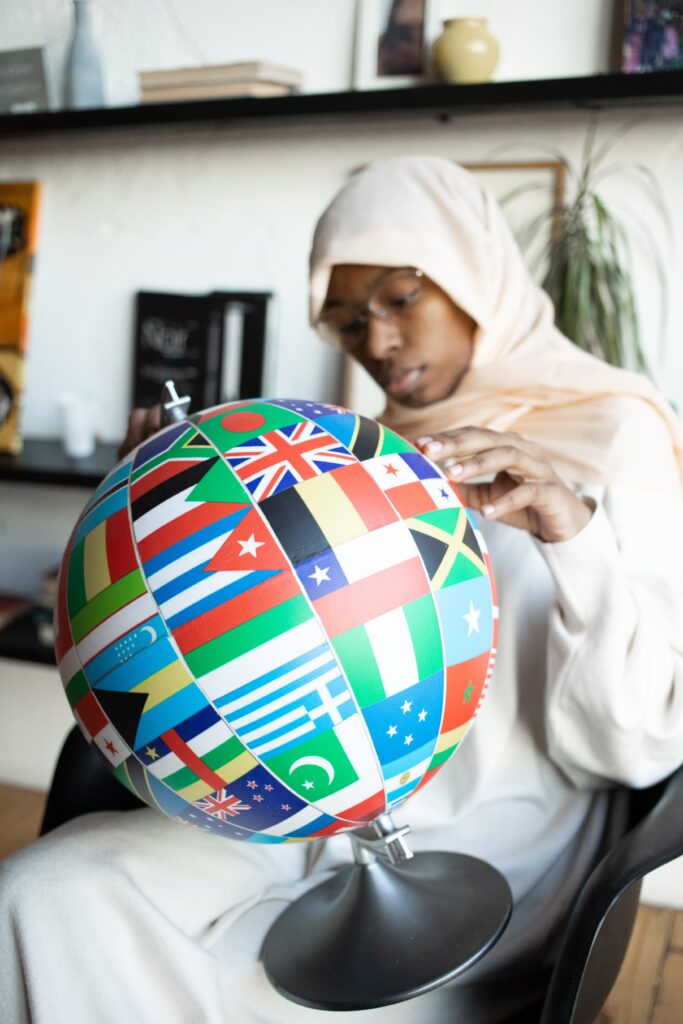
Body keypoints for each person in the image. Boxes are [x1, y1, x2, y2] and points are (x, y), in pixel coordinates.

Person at [2, 155, 683, 1024]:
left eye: (402, 298)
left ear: (475, 275)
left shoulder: (614, 429)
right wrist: (163, 509)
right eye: (349, 320)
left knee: (235, 993)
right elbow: (270, 629)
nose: (380, 343)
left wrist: (572, 533)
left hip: (486, 846)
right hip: (297, 804)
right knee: (41, 898)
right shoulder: (351, 447)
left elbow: (637, 746)